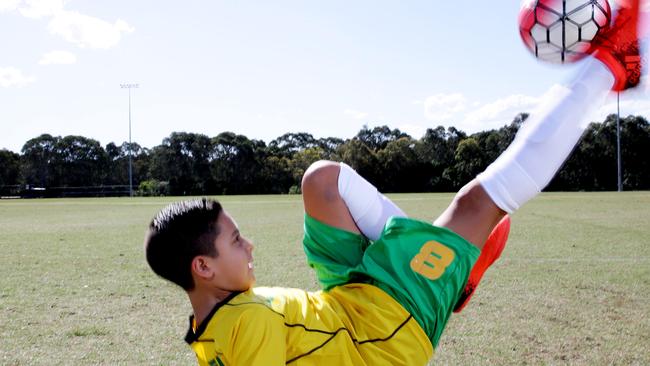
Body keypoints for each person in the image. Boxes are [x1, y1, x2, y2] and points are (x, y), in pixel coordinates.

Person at [144, 1, 645, 364]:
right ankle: (610, 65)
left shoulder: (208, 329)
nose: (248, 243)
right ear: (203, 266)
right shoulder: (243, 328)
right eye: (235, 240)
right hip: (387, 332)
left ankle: (452, 269)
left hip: (346, 300)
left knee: (323, 180)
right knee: (480, 200)